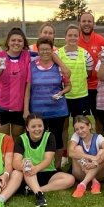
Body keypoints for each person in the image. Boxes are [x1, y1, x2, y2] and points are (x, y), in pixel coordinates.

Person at [25, 37, 71, 169]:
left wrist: (61, 93)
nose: (45, 52)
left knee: (57, 140)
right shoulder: (31, 65)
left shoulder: (59, 67)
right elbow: (28, 89)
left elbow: (68, 86)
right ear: (37, 50)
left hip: (58, 110)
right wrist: (26, 111)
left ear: (52, 50)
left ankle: (56, 167)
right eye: (42, 49)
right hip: (38, 112)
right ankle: (40, 166)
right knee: (38, 139)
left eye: (48, 49)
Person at [0, 27, 34, 137]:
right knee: (2, 140)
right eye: (13, 40)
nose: (16, 43)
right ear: (8, 42)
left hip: (19, 107)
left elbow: (46, 53)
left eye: (19, 41)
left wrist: (62, 66)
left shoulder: (28, 56)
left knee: (17, 140)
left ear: (23, 43)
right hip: (0, 106)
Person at [13, 114, 75, 207]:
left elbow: (48, 159)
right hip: (29, 175)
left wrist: (36, 168)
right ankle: (39, 195)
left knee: (70, 179)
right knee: (28, 167)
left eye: (40, 126)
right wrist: (23, 165)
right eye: (33, 126)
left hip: (47, 173)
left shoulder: (49, 136)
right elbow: (15, 162)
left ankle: (33, 190)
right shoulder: (21, 139)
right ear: (27, 128)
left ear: (43, 126)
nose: (37, 129)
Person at [58, 24, 93, 152]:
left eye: (75, 35)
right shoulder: (58, 53)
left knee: (81, 127)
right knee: (64, 127)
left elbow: (88, 73)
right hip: (64, 97)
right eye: (70, 35)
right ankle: (64, 154)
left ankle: (81, 153)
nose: (72, 38)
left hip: (81, 96)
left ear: (79, 37)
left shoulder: (85, 54)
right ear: (65, 37)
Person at [78, 12, 104, 132]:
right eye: (84, 21)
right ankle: (84, 147)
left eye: (89, 21)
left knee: (99, 118)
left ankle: (100, 145)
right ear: (79, 23)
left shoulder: (101, 41)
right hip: (80, 88)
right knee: (81, 120)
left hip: (98, 87)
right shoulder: (75, 40)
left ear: (93, 24)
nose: (86, 24)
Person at [68, 115, 104, 198]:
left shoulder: (98, 138)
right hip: (81, 172)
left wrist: (96, 162)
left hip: (99, 173)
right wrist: (90, 157)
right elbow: (70, 153)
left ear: (89, 126)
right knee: (77, 149)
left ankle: (83, 185)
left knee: (103, 151)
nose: (80, 131)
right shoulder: (76, 136)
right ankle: (94, 182)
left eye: (82, 128)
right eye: (77, 129)